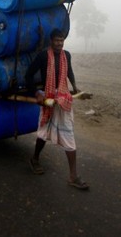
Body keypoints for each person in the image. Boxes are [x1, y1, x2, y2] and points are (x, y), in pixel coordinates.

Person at [25, 28, 89, 190]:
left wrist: (75, 88)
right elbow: (28, 76)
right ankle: (35, 159)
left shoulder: (66, 55)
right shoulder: (43, 56)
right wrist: (37, 93)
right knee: (44, 131)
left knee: (68, 132)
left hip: (63, 99)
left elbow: (70, 73)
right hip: (48, 99)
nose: (60, 43)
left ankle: (73, 176)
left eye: (62, 40)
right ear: (51, 41)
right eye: (57, 40)